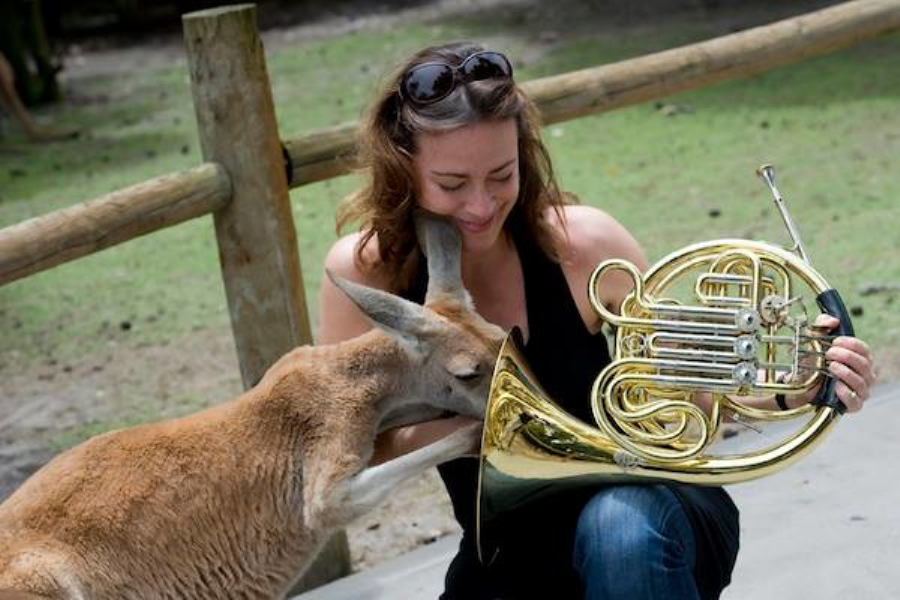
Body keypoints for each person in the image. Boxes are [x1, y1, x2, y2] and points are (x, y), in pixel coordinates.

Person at [317, 42, 877, 600]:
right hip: (507, 547)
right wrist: (496, 429)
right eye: (452, 185)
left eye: (501, 174)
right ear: (403, 167)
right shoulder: (366, 277)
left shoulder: (584, 246)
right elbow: (360, 444)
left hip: (652, 509)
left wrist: (796, 388)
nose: (482, 205)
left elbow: (687, 408)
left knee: (618, 530)